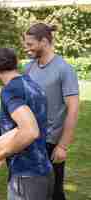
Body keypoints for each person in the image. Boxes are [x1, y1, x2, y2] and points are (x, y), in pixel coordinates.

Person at [0, 48, 53, 200]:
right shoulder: (32, 84)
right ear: (17, 63)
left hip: (27, 176)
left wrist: (0, 154)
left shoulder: (10, 90)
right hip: (43, 169)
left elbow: (30, 131)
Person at [23, 23, 79, 200]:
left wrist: (62, 145)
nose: (26, 48)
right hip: (31, 139)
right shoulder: (29, 67)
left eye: (30, 44)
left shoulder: (64, 69)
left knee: (54, 192)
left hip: (51, 143)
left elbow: (74, 109)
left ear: (45, 42)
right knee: (33, 191)